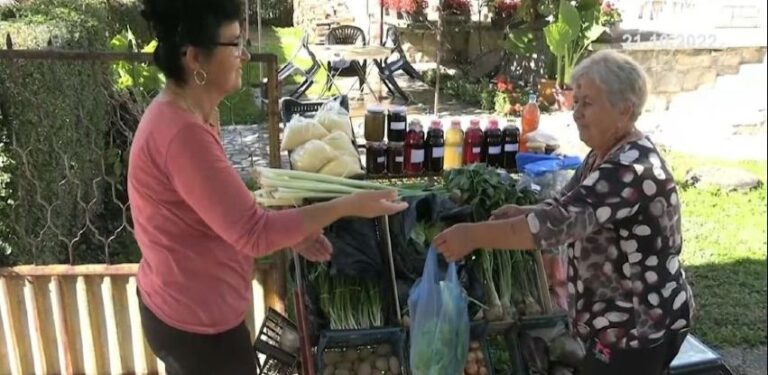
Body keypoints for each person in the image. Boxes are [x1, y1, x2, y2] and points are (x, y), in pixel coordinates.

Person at [127, 1, 408, 373]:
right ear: (195, 57)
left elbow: (221, 210)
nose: (244, 55)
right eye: (235, 43)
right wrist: (348, 203)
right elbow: (253, 233)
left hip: (186, 308)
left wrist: (292, 232)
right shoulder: (181, 134)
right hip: (197, 327)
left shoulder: (190, 115)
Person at [432, 50, 693, 375]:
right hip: (616, 324)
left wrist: (472, 236)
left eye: (588, 103)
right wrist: (523, 210)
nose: (576, 113)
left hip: (639, 327)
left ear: (624, 110)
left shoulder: (630, 170)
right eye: (577, 101)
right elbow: (566, 205)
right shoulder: (606, 155)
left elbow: (553, 226)